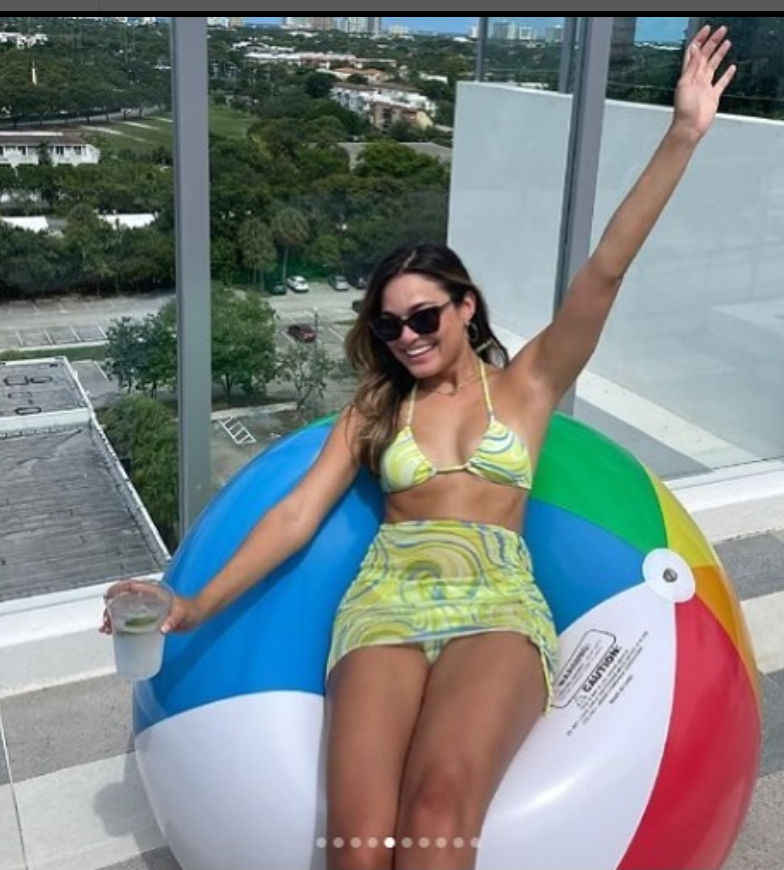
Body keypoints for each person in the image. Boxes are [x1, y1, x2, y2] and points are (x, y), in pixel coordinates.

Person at [102, 25, 734, 870]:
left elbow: (604, 272)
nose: (406, 335)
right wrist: (190, 607)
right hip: (384, 607)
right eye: (389, 323)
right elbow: (295, 515)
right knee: (359, 846)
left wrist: (682, 133)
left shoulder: (530, 384)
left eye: (424, 316)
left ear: (466, 307)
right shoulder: (373, 408)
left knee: (438, 808)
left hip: (498, 606)